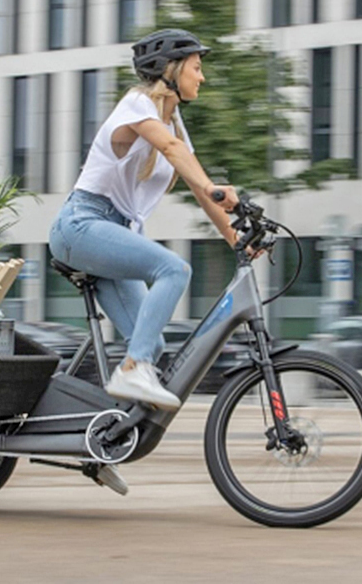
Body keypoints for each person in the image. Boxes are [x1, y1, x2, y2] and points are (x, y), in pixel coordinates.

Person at [49, 28, 241, 411]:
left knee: (151, 343)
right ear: (171, 70)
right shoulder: (137, 104)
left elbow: (200, 187)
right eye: (197, 67)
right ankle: (133, 367)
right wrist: (215, 187)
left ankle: (101, 442)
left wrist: (237, 241)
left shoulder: (176, 126)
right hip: (82, 224)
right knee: (175, 270)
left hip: (112, 232)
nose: (202, 77)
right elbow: (171, 152)